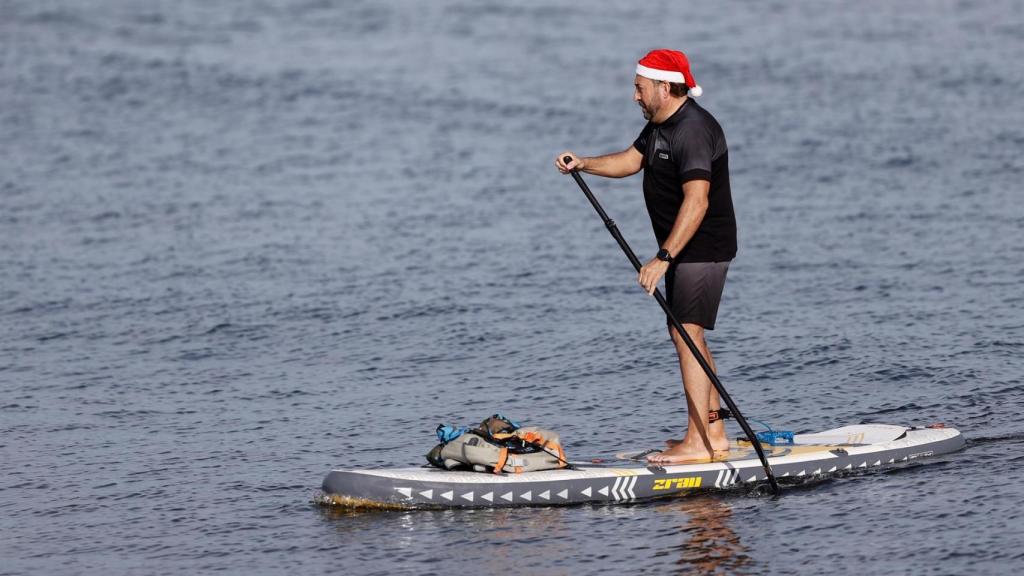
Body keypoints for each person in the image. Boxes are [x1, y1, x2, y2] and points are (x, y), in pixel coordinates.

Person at [555, 49, 737, 463]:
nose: (635, 96)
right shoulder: (660, 124)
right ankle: (714, 435)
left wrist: (663, 258)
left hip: (701, 246)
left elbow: (698, 201)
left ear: (663, 87)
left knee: (686, 333)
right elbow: (630, 161)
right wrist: (584, 163)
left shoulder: (692, 130)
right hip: (684, 249)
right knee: (686, 333)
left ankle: (700, 443)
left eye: (639, 88)